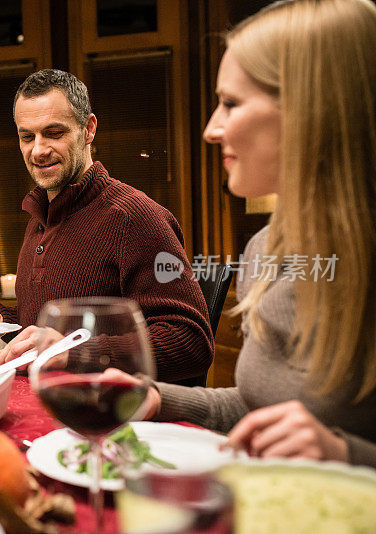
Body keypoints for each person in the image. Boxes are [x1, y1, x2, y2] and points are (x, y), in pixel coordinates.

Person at [107, 0, 376, 466]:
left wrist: (343, 453)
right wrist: (157, 397)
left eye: (230, 103)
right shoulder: (264, 250)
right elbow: (261, 412)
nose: (212, 128)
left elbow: (321, 440)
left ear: (315, 110)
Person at [0, 69, 213, 383]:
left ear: (88, 129)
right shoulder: (41, 214)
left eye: (54, 133)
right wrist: (5, 318)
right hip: (51, 403)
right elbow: (55, 330)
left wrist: (72, 353)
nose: (38, 150)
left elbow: (193, 342)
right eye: (27, 136)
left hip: (114, 419)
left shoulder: (137, 218)